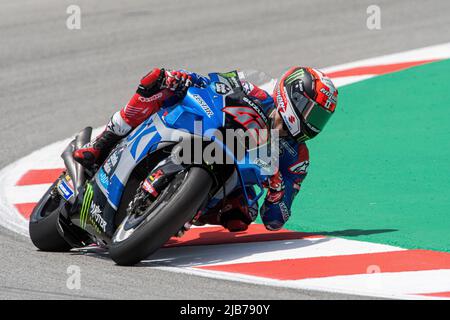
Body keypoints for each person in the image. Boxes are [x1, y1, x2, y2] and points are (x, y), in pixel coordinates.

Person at [73, 67, 338, 232]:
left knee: (241, 217)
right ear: (292, 95)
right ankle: (100, 144)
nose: (313, 123)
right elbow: (209, 82)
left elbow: (276, 220)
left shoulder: (296, 158)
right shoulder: (253, 93)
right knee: (157, 84)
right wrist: (179, 80)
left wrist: (277, 193)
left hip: (231, 179)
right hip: (205, 134)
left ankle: (176, 212)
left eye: (320, 120)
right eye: (311, 112)